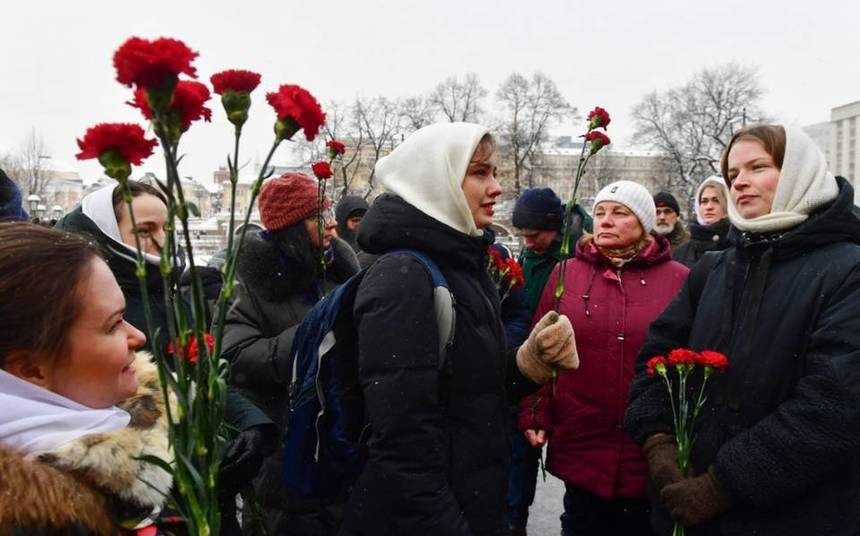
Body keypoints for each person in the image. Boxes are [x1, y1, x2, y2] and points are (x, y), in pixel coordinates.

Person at [339, 122, 577, 535]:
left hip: (470, 499)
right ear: (439, 181)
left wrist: (526, 364)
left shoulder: (463, 263)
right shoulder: (404, 275)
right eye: (479, 173)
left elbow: (467, 392)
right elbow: (402, 445)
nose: (497, 187)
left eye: (495, 173)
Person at [625, 125, 860, 536]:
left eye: (758, 167)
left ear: (798, 172)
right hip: (688, 510)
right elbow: (655, 360)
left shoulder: (848, 270)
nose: (740, 183)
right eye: (732, 174)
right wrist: (659, 442)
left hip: (796, 516)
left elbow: (835, 406)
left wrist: (724, 485)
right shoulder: (713, 269)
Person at [55, 181, 277, 534]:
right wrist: (187, 461)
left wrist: (252, 424)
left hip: (198, 489)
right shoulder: (82, 304)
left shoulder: (170, 294)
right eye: (145, 230)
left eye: (167, 228)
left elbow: (199, 373)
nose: (162, 240)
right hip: (143, 494)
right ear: (105, 234)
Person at [519, 180, 688, 536]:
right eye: (599, 213)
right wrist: (535, 411)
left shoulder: (680, 280)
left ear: (643, 222)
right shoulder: (566, 274)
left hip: (651, 450)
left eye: (619, 213)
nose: (606, 221)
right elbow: (540, 350)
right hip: (583, 439)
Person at [0, 222, 175, 533]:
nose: (138, 336)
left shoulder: (128, 424)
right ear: (31, 369)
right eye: (113, 325)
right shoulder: (42, 520)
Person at [220, 172, 360, 535]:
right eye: (319, 217)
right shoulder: (253, 285)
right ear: (293, 228)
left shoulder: (341, 272)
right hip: (286, 455)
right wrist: (311, 336)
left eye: (330, 213)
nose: (332, 226)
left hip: (342, 445)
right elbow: (236, 357)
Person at [506, 186, 592, 535]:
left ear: (555, 227)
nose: (528, 243)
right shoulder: (526, 261)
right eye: (522, 236)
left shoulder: (578, 260)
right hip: (528, 377)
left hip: (569, 378)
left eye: (535, 235)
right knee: (516, 478)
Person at [672, 176, 732, 268]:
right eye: (704, 201)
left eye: (716, 200)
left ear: (728, 204)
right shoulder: (682, 252)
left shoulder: (738, 245)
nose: (709, 207)